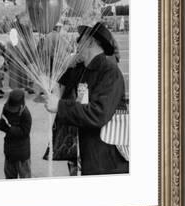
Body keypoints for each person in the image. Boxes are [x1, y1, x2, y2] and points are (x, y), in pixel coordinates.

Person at [44, 22, 128, 176]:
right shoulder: (81, 68)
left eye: (80, 39)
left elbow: (98, 114)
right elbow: (58, 86)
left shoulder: (110, 72)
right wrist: (65, 68)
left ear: (90, 42)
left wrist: (60, 106)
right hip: (84, 152)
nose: (76, 42)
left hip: (105, 160)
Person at [0, 88, 32, 179]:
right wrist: (2, 125)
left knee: (25, 177)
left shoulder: (26, 114)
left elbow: (25, 132)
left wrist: (10, 129)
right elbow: (1, 123)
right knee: (9, 177)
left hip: (22, 154)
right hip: (9, 152)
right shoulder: (6, 107)